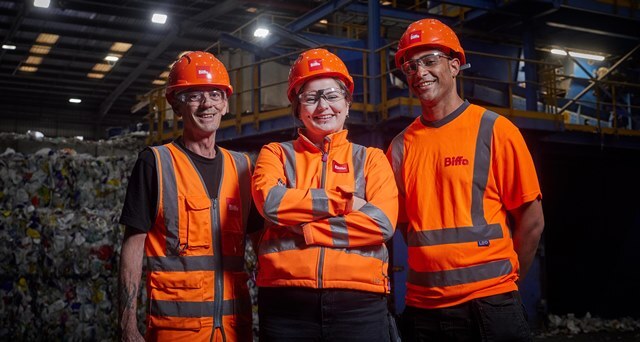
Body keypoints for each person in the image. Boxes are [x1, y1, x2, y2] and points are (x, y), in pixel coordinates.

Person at [386, 19, 545, 341]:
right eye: (411, 66)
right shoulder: (400, 146)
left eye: (430, 61)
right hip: (423, 306)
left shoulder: (495, 130)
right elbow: (404, 224)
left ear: (455, 65)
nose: (420, 73)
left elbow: (531, 221)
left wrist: (507, 284)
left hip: (490, 304)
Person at [251, 48, 399, 341]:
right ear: (298, 108)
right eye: (311, 97)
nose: (323, 106)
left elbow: (381, 223)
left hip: (360, 305)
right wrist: (344, 201)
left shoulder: (371, 159)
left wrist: (306, 230)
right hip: (286, 307)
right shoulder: (276, 154)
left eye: (331, 95)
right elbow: (271, 203)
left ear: (346, 103)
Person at [118, 51, 255, 342]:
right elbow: (132, 247)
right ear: (176, 106)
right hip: (175, 332)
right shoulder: (155, 163)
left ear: (226, 103)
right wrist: (127, 326)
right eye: (194, 96)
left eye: (215, 95)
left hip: (235, 330)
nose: (207, 104)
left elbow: (265, 247)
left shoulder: (243, 168)